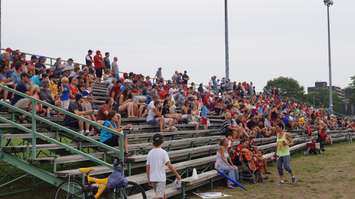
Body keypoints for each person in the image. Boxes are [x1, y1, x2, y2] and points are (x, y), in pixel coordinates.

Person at [146, 133, 181, 199]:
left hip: (153, 178)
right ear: (162, 142)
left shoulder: (150, 152)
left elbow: (147, 167)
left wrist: (148, 179)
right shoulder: (163, 152)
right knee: (159, 197)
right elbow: (169, 165)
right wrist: (177, 175)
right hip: (160, 178)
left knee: (162, 195)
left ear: (153, 142)